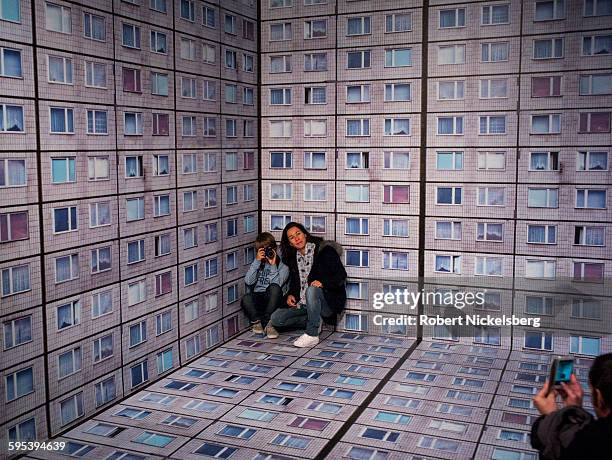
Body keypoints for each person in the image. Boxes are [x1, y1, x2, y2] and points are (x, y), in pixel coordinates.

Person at [269, 222, 347, 348]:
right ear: (290, 243)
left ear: (305, 234)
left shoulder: (324, 251)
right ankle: (315, 320)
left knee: (312, 290)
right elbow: (296, 283)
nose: (297, 238)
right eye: (292, 237)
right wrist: (291, 295)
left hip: (326, 302)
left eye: (298, 233)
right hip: (304, 304)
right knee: (276, 318)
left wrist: (323, 283)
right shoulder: (294, 258)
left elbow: (341, 276)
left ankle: (312, 334)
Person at [531, 353, 612, 460]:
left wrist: (551, 416)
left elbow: (563, 450)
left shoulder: (593, 444)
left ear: (599, 397)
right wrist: (573, 411)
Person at [241, 232, 289, 338]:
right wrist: (257, 261)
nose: (267, 252)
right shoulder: (258, 265)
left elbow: (277, 285)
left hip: (274, 300)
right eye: (263, 250)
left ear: (274, 249)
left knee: (274, 288)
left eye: (269, 249)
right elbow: (248, 281)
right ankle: (257, 322)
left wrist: (273, 265)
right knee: (246, 297)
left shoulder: (284, 268)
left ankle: (268, 323)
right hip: (260, 298)